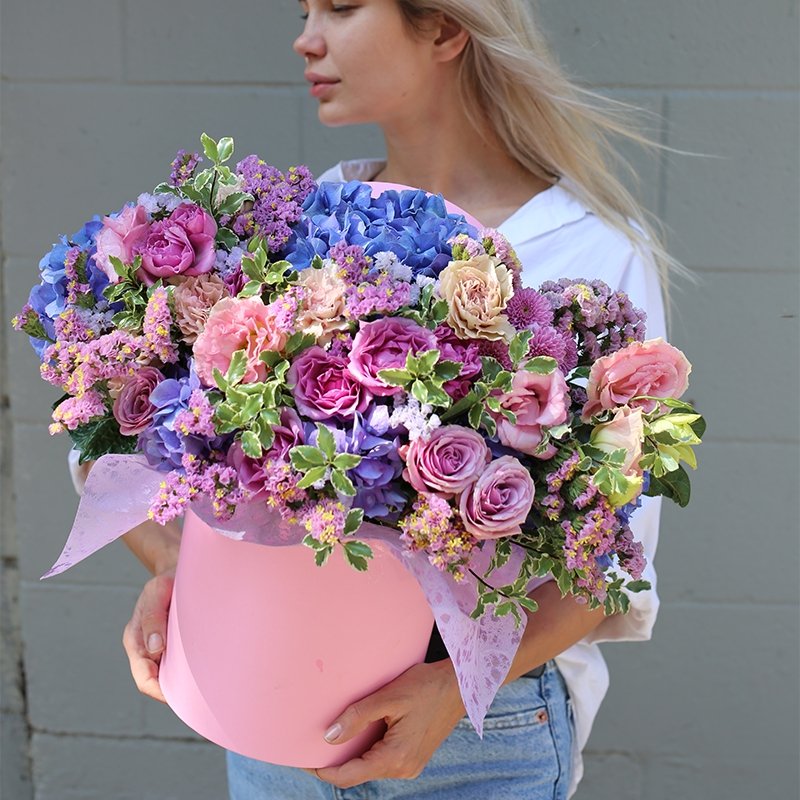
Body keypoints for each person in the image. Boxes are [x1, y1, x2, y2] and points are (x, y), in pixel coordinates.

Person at [86, 1, 675, 797]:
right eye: (304, 10)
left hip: (475, 729)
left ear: (443, 27)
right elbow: (166, 454)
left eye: (342, 6)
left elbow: (607, 555)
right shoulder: (301, 221)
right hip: (275, 711)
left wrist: (446, 693)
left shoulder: (593, 250)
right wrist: (170, 571)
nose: (306, 37)